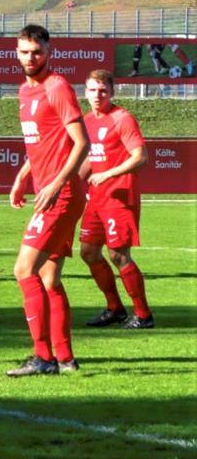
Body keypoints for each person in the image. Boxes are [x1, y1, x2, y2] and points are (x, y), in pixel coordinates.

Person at [6, 25, 89, 377]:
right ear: (17, 52)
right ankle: (66, 359)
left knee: (23, 270)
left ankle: (43, 358)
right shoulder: (25, 91)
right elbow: (42, 143)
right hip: (50, 191)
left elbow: (81, 143)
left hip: (62, 195)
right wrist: (23, 176)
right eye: (24, 52)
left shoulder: (57, 87)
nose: (30, 58)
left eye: (36, 52)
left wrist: (56, 184)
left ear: (48, 51)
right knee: (50, 278)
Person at [78, 69, 154, 329]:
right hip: (96, 198)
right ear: (85, 92)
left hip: (120, 197)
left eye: (103, 90)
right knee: (88, 252)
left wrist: (108, 173)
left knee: (119, 255)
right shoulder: (87, 120)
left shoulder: (122, 118)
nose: (97, 95)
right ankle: (115, 308)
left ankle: (143, 315)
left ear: (112, 91)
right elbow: (91, 157)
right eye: (92, 90)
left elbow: (140, 157)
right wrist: (67, 180)